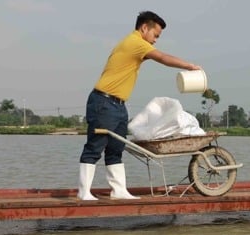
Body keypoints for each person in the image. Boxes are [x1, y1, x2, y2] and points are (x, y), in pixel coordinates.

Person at [78, 11, 202, 200]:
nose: (155, 41)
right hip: (104, 101)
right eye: (155, 35)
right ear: (144, 28)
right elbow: (161, 57)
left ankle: (118, 191)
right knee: (96, 146)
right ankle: (83, 192)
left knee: (116, 149)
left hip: (117, 105)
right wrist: (189, 66)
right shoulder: (135, 42)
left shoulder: (134, 44)